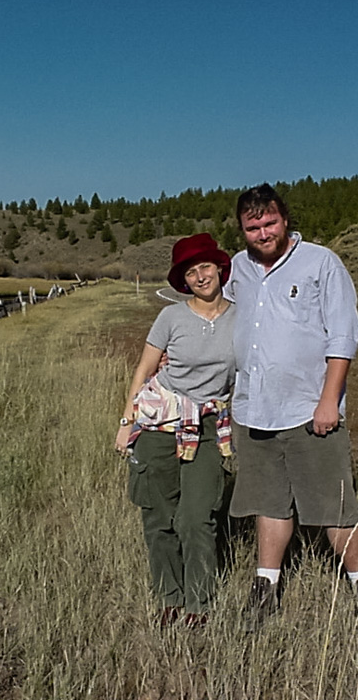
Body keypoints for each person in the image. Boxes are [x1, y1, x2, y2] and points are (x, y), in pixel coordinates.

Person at [224, 183, 358, 628]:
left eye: (269, 222)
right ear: (242, 230)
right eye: (252, 227)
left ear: (285, 219)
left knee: (334, 506)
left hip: (310, 411)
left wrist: (329, 401)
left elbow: (343, 335)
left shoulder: (321, 263)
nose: (262, 232)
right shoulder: (237, 268)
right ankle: (265, 588)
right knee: (269, 504)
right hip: (254, 410)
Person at [115, 233, 236, 629]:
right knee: (159, 517)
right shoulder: (171, 317)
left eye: (205, 267)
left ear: (219, 268)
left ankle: (199, 605)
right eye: (191, 271)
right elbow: (144, 371)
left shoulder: (241, 317)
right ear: (184, 280)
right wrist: (126, 423)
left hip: (204, 427)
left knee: (196, 517)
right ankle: (170, 598)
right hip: (159, 424)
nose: (200, 276)